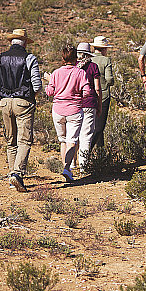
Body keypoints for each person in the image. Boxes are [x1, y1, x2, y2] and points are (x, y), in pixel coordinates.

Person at [0, 28, 42, 192]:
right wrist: (27, 95)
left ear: (11, 42)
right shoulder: (29, 58)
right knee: (24, 140)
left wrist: (5, 94)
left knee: (10, 141)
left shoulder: (0, 57)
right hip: (23, 102)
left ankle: (12, 178)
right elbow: (37, 85)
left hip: (5, 102)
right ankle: (17, 173)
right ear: (25, 42)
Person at [44, 43, 90, 182]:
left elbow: (50, 92)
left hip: (58, 110)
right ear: (76, 58)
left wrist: (49, 81)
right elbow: (87, 92)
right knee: (72, 141)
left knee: (62, 141)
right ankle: (67, 168)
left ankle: (66, 168)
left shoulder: (56, 72)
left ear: (63, 58)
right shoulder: (80, 73)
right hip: (74, 110)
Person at [76, 42, 102, 171]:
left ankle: (70, 164)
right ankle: (83, 165)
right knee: (86, 135)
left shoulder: (74, 67)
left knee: (73, 134)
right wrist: (99, 105)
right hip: (90, 103)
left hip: (75, 103)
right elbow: (97, 88)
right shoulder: (93, 67)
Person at [89, 36, 114, 147]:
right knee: (100, 127)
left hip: (88, 96)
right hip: (103, 95)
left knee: (91, 125)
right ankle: (88, 151)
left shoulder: (88, 59)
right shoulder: (106, 60)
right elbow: (109, 79)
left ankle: (100, 151)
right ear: (104, 49)